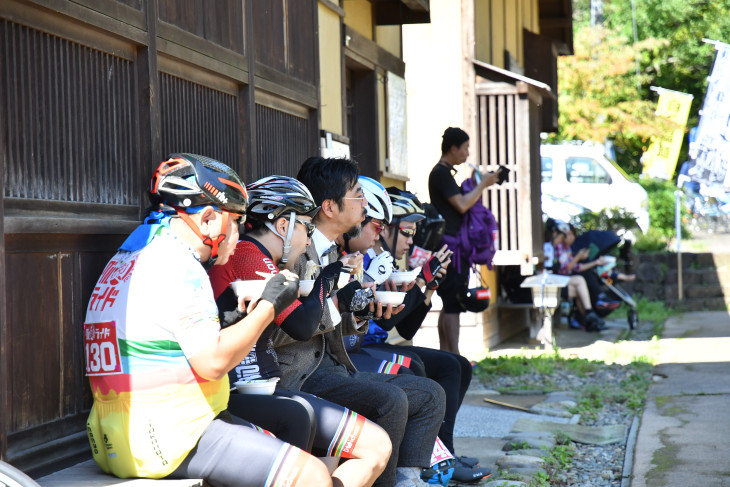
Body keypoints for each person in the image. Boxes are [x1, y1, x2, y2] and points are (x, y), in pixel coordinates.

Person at [83, 153, 335, 486]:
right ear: (206, 219)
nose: (239, 234)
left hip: (115, 436)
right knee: (313, 474)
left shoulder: (127, 257)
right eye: (234, 222)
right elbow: (213, 363)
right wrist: (270, 305)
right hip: (171, 436)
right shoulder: (178, 265)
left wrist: (231, 310)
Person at [273, 156, 447, 487]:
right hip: (299, 375)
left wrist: (363, 312)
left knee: (430, 394)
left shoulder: (336, 257)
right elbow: (280, 332)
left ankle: (408, 478)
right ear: (329, 207)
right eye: (357, 195)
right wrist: (338, 303)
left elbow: (338, 321)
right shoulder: (295, 255)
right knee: (392, 400)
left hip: (333, 369)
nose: (365, 204)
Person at [208, 175, 391, 487]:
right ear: (283, 226)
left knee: (377, 447)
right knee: (307, 422)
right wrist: (326, 282)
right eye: (306, 228)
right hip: (240, 389)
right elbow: (302, 326)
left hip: (263, 385)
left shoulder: (260, 257)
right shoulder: (248, 254)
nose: (308, 241)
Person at [342, 183, 490, 484]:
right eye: (407, 231)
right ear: (385, 228)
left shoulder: (380, 258)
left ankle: (443, 453)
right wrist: (421, 282)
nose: (410, 240)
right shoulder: (363, 257)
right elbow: (383, 324)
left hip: (370, 342)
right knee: (422, 367)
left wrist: (428, 287)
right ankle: (434, 460)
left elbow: (403, 326)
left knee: (456, 364)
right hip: (355, 348)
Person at [428, 127, 499, 354]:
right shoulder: (440, 173)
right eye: (465, 148)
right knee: (453, 303)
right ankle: (455, 356)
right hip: (451, 247)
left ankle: (446, 355)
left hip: (450, 245)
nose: (467, 154)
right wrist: (481, 185)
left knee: (450, 303)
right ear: (453, 148)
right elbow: (461, 204)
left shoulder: (444, 173)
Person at [547, 219, 607, 332]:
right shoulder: (554, 247)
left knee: (580, 289)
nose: (569, 237)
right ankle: (590, 314)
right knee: (579, 280)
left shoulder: (565, 248)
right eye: (566, 234)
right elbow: (563, 270)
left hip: (562, 282)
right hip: (554, 281)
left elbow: (576, 267)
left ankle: (589, 322)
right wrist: (577, 258)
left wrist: (595, 262)